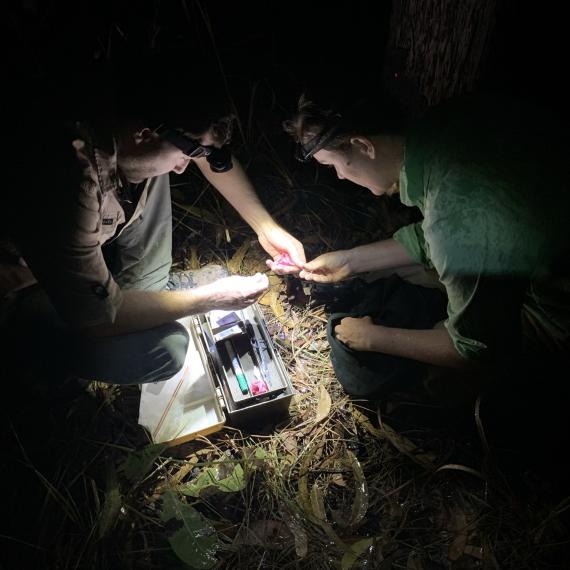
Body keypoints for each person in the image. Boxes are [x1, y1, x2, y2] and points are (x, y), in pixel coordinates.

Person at [0, 56, 305, 387]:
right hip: (26, 290)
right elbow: (101, 319)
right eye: (188, 155)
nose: (183, 168)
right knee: (168, 350)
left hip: (80, 242)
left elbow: (203, 155)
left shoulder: (131, 117)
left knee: (155, 169)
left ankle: (147, 292)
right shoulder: (69, 183)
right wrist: (210, 298)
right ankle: (46, 358)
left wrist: (266, 228)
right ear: (142, 134)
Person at [284, 88, 570, 398]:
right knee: (405, 273)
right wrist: (351, 260)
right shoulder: (452, 120)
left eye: (333, 165)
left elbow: (474, 349)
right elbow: (447, 233)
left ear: (363, 145)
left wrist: (373, 338)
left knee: (439, 370)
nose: (339, 176)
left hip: (558, 313)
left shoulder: (455, 221)